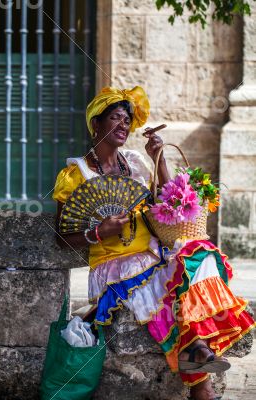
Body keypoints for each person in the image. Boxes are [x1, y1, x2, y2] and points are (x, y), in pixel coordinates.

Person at [53, 86, 255, 400]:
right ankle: (202, 384)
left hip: (154, 256)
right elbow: (61, 237)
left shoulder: (134, 162)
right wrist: (99, 232)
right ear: (96, 124)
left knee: (200, 256)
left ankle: (199, 357)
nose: (123, 124)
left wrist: (157, 159)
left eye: (126, 119)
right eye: (115, 117)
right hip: (114, 269)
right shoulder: (76, 173)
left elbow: (167, 204)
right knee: (167, 294)